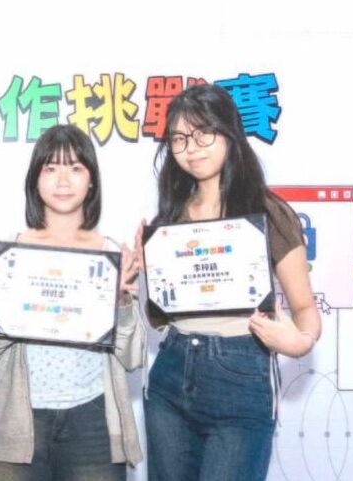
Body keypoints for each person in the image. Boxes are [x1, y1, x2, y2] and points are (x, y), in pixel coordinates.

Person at [144, 84, 322, 481]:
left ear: (229, 133)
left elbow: (305, 308)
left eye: (203, 133)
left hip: (241, 371)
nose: (191, 148)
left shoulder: (267, 212)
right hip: (171, 373)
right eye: (179, 138)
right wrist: (144, 272)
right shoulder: (169, 219)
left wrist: (299, 342)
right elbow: (160, 318)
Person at [0, 124, 145, 481]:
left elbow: (134, 356)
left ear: (91, 181)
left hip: (93, 420)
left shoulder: (111, 255)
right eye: (51, 168)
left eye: (76, 167)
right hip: (18, 420)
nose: (63, 180)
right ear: (35, 180)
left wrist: (123, 299)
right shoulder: (9, 253)